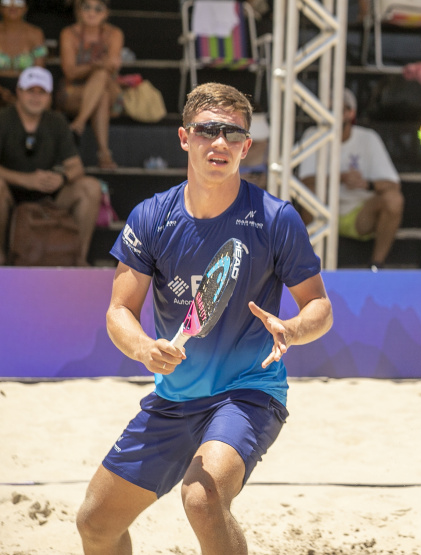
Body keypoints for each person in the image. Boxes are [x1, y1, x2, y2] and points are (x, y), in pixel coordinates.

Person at [75, 82, 334, 553]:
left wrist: (292, 329)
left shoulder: (276, 218)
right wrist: (143, 348)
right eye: (208, 131)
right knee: (95, 523)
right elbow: (119, 311)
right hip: (175, 398)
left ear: (247, 146)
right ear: (183, 137)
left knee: (201, 498)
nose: (220, 143)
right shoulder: (151, 217)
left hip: (248, 394)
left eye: (233, 134)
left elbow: (320, 307)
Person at [0, 66, 101, 266]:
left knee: (90, 187)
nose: (36, 97)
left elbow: (75, 167)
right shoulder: (3, 119)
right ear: (19, 92)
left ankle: (78, 257)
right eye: (30, 91)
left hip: (47, 195)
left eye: (42, 92)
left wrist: (61, 178)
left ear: (49, 97)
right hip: (9, 195)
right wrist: (26, 180)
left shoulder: (57, 121)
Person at [297, 88, 404, 270]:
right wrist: (340, 177)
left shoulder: (368, 138)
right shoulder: (312, 135)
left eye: (335, 109)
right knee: (310, 194)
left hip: (358, 215)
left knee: (394, 199)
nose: (329, 114)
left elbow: (393, 184)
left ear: (350, 113)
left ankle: (376, 265)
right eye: (325, 109)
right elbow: (302, 183)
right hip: (322, 211)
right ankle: (309, 265)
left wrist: (367, 184)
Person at [58, 0, 123, 169]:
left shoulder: (115, 33)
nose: (92, 12)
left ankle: (79, 123)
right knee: (101, 94)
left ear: (106, 13)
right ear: (79, 10)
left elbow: (112, 66)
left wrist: (95, 68)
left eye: (98, 8)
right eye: (86, 7)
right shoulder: (68, 33)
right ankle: (104, 153)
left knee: (101, 77)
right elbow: (70, 72)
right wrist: (96, 66)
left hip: (108, 90)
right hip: (75, 93)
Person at [0, 0, 47, 107]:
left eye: (18, 1)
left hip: (28, 86)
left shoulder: (36, 33)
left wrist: (23, 93)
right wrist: (2, 92)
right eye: (7, 1)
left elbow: (39, 71)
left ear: (25, 7)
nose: (13, 6)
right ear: (0, 7)